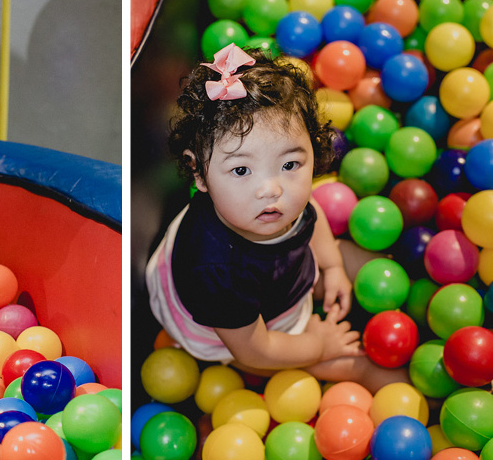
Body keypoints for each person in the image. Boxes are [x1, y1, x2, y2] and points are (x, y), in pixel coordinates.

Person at [145, 44, 405, 392]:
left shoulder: (272, 203)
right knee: (355, 367)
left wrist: (332, 268)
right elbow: (257, 349)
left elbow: (311, 218)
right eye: (241, 169)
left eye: (289, 164)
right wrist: (319, 346)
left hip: (276, 278)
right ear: (199, 173)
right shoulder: (217, 271)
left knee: (375, 265)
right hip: (236, 336)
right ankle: (420, 398)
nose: (271, 188)